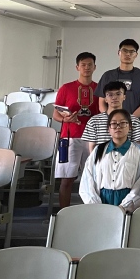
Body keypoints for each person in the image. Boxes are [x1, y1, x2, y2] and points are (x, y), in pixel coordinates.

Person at [53, 52, 100, 210]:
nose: (86, 67)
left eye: (90, 65)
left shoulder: (99, 89)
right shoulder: (66, 88)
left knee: (93, 178)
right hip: (70, 137)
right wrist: (66, 119)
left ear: (94, 67)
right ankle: (64, 214)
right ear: (77, 67)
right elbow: (56, 114)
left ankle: (92, 212)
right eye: (83, 65)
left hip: (92, 139)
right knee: (67, 179)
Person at [79, 109, 140, 213]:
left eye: (123, 123)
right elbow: (87, 180)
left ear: (130, 126)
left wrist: (124, 207)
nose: (118, 127)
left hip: (126, 202)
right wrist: (96, 206)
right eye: (113, 124)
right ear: (109, 128)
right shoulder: (98, 150)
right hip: (101, 201)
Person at [95, 39, 140, 119]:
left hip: (134, 121)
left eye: (131, 52)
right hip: (111, 123)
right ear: (119, 53)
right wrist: (111, 119)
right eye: (125, 51)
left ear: (136, 55)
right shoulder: (107, 75)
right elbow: (101, 103)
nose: (128, 54)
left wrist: (129, 120)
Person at [82, 81, 140, 152]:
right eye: (110, 95)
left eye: (118, 94)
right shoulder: (94, 121)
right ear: (105, 99)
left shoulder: (134, 120)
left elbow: (138, 147)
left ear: (124, 97)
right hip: (102, 158)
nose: (114, 97)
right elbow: (92, 148)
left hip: (127, 158)